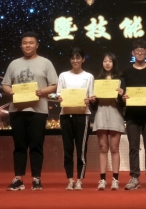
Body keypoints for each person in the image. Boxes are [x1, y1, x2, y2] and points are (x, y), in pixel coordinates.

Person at [2, 31, 58, 191]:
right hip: (17, 110)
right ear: (21, 45)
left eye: (31, 43)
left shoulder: (46, 63)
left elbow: (54, 85)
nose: (28, 45)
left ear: (37, 45)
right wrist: (10, 91)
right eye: (25, 43)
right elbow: (5, 84)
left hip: (38, 110)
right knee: (19, 146)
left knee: (36, 145)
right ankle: (18, 178)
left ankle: (36, 178)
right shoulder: (14, 64)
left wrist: (42, 91)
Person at [121, 39, 146, 190]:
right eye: (137, 50)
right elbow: (124, 92)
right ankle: (134, 177)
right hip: (132, 115)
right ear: (133, 53)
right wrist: (124, 96)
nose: (139, 52)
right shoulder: (126, 72)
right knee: (133, 147)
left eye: (142, 50)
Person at [57, 47, 94, 191]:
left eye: (78, 57)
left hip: (83, 115)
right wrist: (58, 98)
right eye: (73, 58)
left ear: (83, 59)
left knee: (81, 149)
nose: (75, 60)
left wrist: (89, 100)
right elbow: (57, 94)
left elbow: (92, 96)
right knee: (67, 149)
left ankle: (79, 180)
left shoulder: (89, 76)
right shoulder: (63, 75)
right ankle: (70, 179)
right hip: (65, 115)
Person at [90, 53, 124, 191]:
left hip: (115, 114)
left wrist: (121, 95)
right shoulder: (97, 80)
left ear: (114, 63)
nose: (107, 63)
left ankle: (115, 179)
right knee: (103, 148)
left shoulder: (120, 80)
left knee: (114, 148)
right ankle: (102, 179)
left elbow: (124, 103)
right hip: (101, 114)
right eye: (105, 61)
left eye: (110, 61)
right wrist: (93, 100)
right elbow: (94, 105)